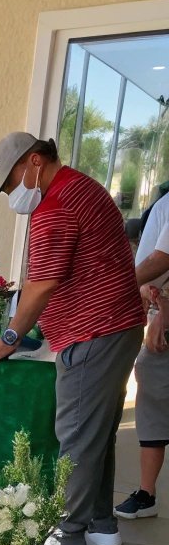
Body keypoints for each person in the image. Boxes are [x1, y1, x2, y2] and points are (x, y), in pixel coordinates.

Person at [0, 132, 144, 545]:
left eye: (11, 183)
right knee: (98, 432)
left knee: (76, 436)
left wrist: (9, 338)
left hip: (94, 333)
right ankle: (102, 525)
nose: (12, 194)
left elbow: (42, 285)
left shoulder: (57, 205)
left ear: (34, 161)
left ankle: (68, 541)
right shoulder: (80, 186)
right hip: (118, 327)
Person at [116, 187, 169, 520]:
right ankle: (147, 494)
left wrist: (162, 315)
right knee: (151, 402)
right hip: (160, 310)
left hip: (164, 315)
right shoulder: (162, 204)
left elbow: (162, 259)